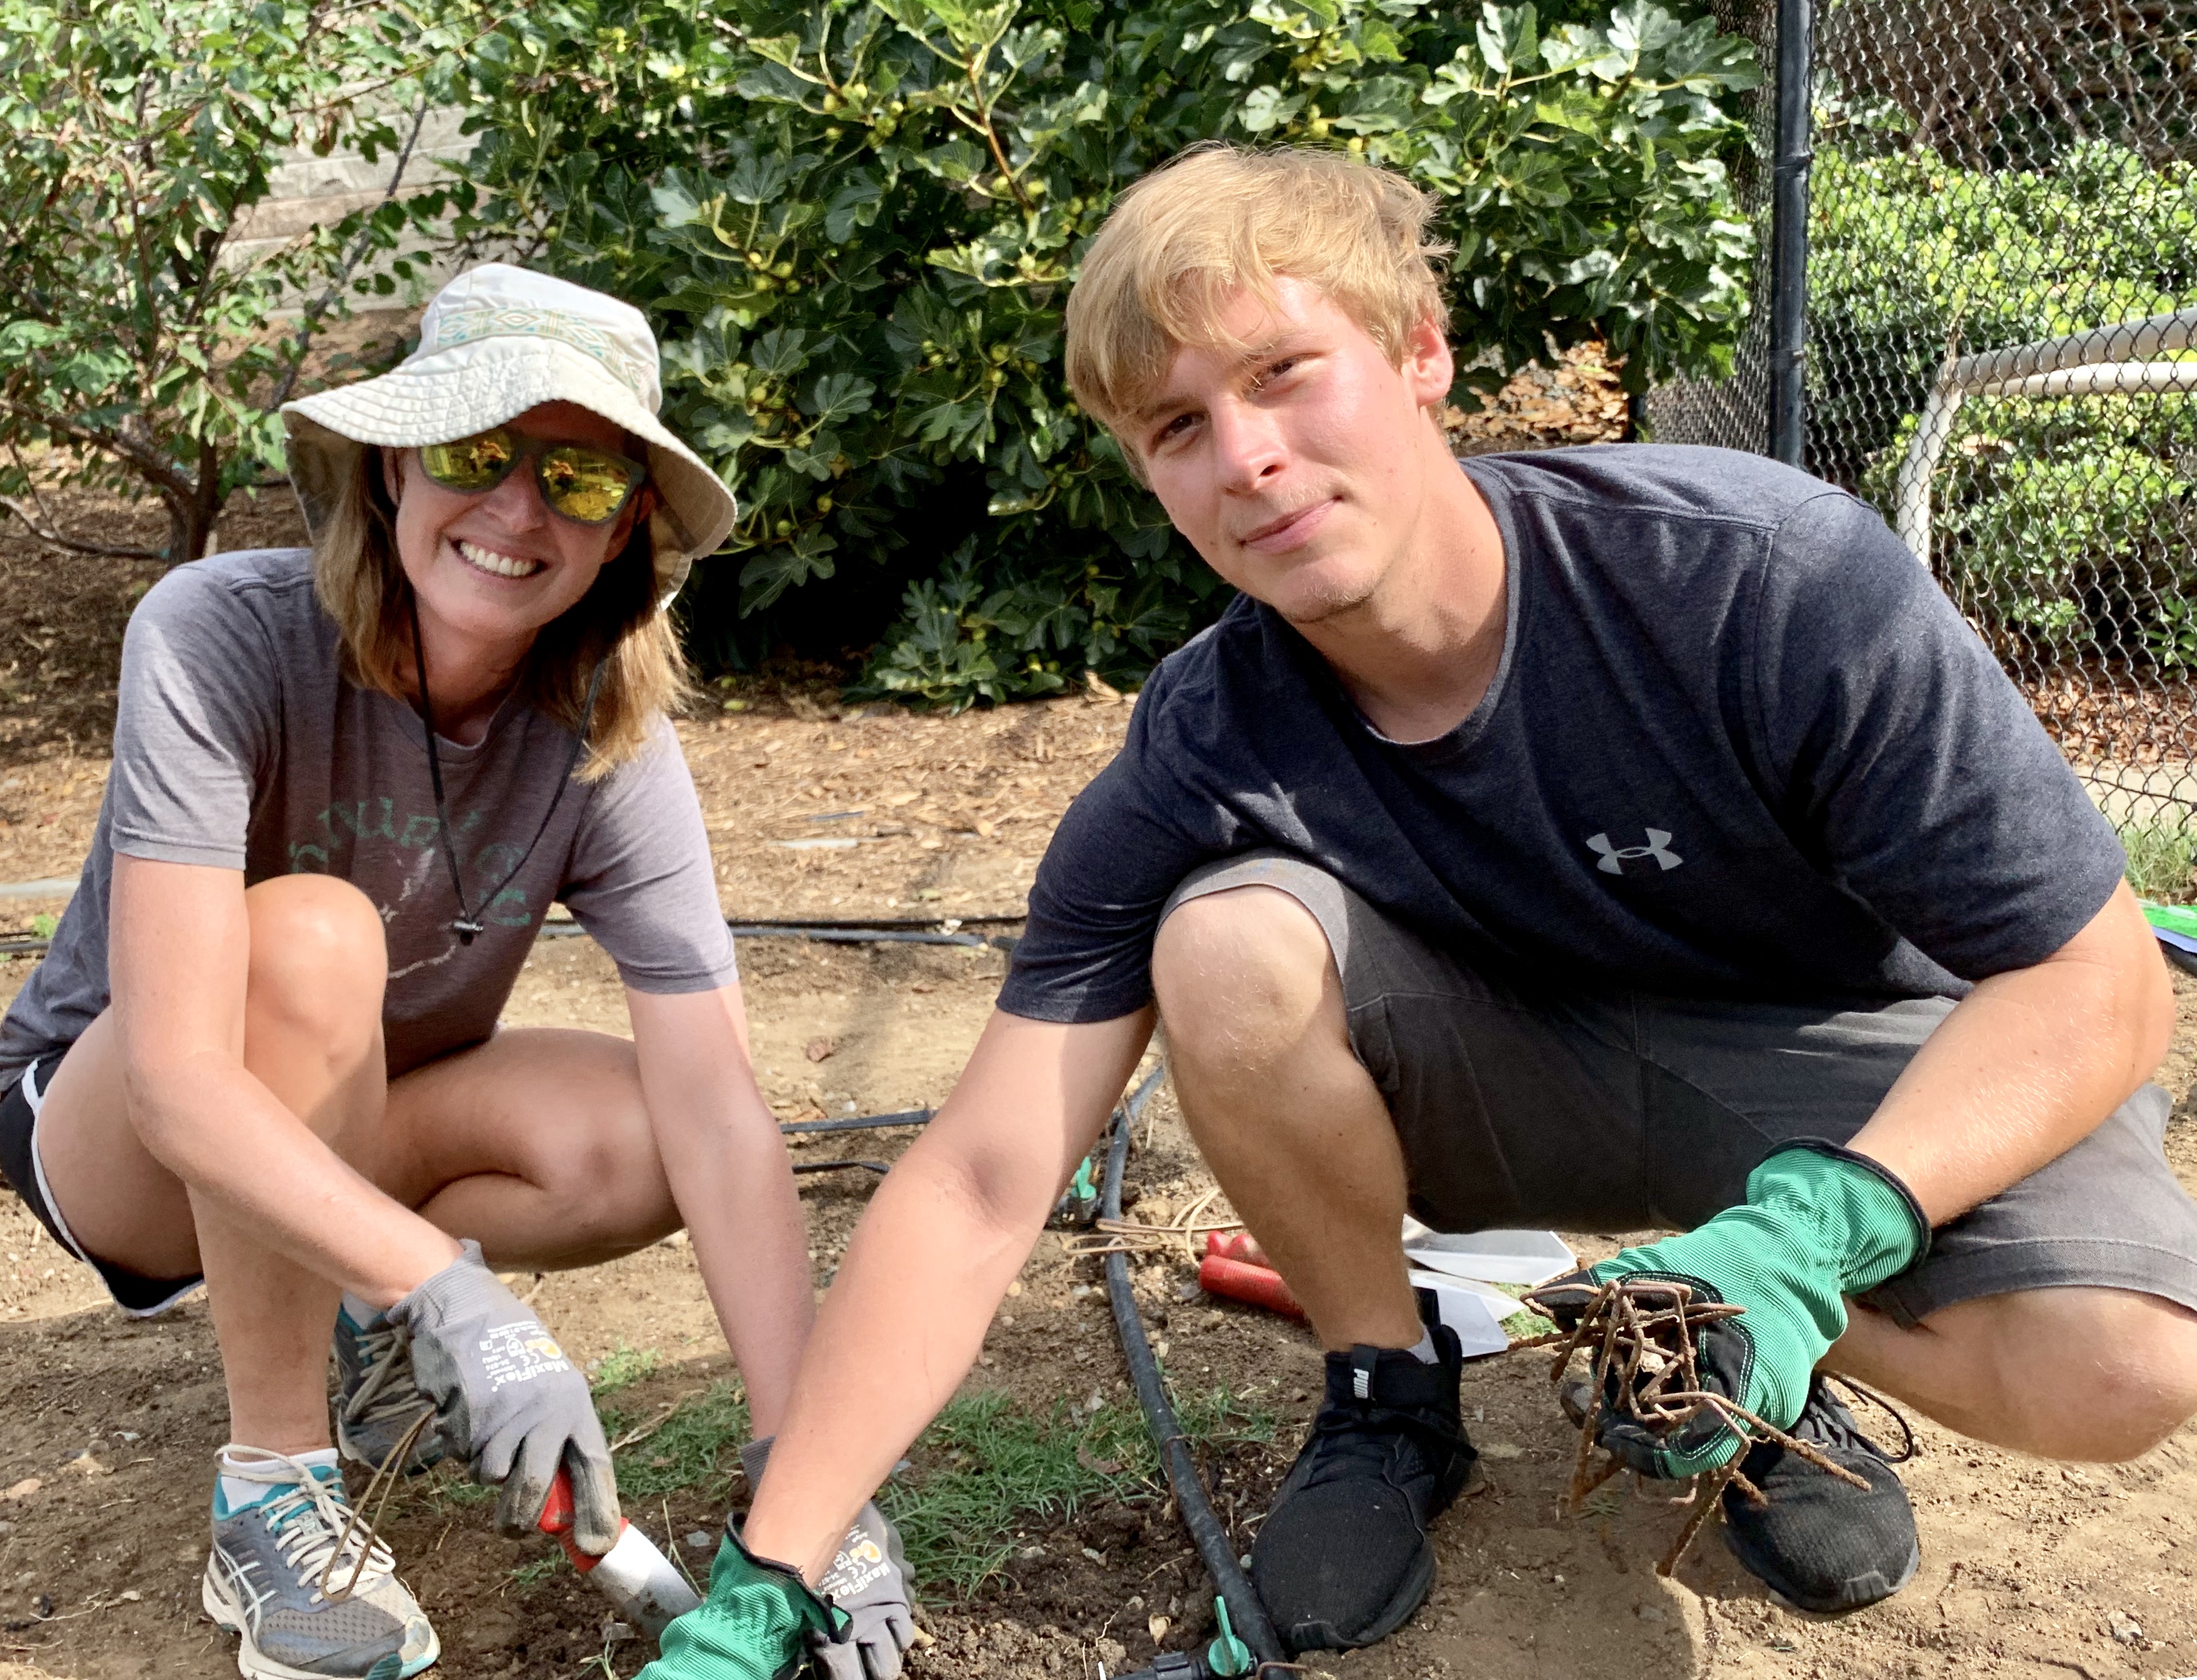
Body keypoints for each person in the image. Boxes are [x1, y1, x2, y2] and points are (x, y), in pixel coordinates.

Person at [634, 144, 2197, 1677]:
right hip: (1513, 1064)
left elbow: (2102, 980)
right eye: (1178, 424)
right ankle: (1387, 1388)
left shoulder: (1755, 578)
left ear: (1420, 354)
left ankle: (1720, 1326)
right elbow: (983, 1176)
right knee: (1227, 943)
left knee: (2122, 1362)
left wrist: (1811, 1233)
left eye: (1284, 373)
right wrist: (770, 1570)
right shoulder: (1206, 734)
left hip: (1834, 1059)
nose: (1243, 454)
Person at [0, 264, 910, 1680]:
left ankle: (354, 1310)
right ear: (388, 471)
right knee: (308, 935)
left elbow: (719, 1107)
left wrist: (810, 1475)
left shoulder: (605, 733)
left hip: (365, 1102)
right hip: (116, 1138)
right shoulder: (216, 633)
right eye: (477, 454)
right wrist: (450, 1286)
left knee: (643, 1133)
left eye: (580, 480)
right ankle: (275, 1485)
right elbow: (179, 1080)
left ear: (626, 537)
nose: (515, 511)